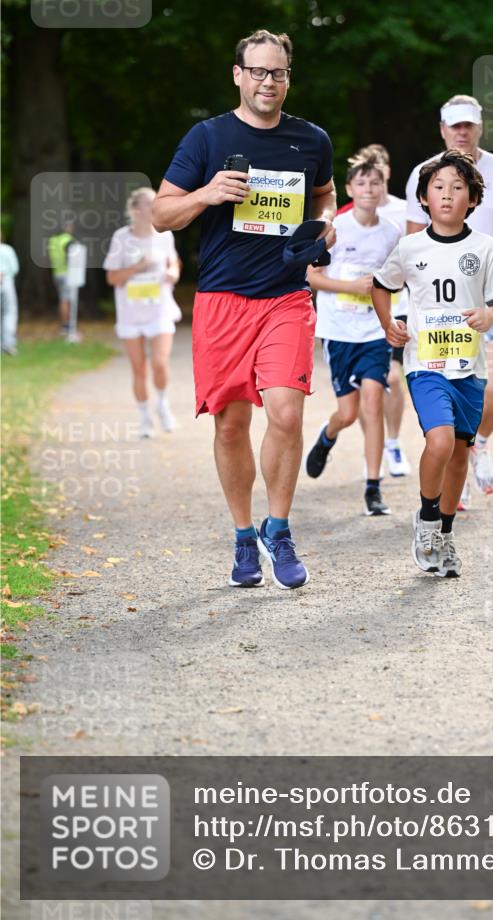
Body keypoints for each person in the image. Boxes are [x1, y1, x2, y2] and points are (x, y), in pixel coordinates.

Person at [152, 29, 336, 590]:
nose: (267, 82)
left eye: (277, 72)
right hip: (223, 299)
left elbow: (325, 194)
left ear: (288, 78)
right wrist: (206, 194)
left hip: (285, 296)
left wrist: (320, 227)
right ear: (238, 75)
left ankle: (278, 529)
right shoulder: (206, 138)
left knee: (286, 411)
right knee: (232, 425)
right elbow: (161, 214)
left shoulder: (311, 140)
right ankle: (242, 537)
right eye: (257, 71)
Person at [373, 151, 493, 576]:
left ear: (472, 199)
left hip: (470, 369)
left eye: (457, 188)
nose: (447, 195)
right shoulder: (410, 247)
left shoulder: (485, 248)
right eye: (438, 188)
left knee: (459, 452)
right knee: (440, 441)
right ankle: (428, 518)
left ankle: (446, 534)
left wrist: (490, 315)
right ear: (423, 198)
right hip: (425, 365)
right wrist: (387, 325)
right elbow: (381, 286)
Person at [405, 95, 493, 505]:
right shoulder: (423, 175)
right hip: (439, 306)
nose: (462, 132)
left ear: (479, 127)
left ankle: (478, 442)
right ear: (443, 129)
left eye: (469, 125)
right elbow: (411, 239)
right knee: (448, 390)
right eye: (454, 126)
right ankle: (456, 470)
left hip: (491, 294)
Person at [305, 159, 400, 516]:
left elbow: (397, 278)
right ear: (349, 190)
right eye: (362, 184)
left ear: (382, 189)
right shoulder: (334, 228)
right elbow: (312, 276)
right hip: (340, 332)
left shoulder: (391, 232)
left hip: (374, 330)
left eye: (375, 183)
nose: (369, 190)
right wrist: (352, 286)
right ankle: (328, 435)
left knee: (373, 401)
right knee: (348, 412)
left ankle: (373, 488)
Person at [336, 144, 411, 476]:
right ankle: (376, 453)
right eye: (363, 179)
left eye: (378, 174)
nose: (370, 186)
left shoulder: (405, 211)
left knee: (392, 377)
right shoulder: (343, 219)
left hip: (398, 305)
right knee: (368, 392)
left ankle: (392, 442)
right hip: (353, 317)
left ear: (387, 174)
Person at [104, 187, 182, 438]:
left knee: (159, 363)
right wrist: (138, 267)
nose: (156, 206)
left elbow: (174, 263)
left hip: (159, 309)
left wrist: (173, 273)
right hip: (130, 313)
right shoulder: (121, 238)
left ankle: (162, 404)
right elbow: (113, 277)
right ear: (137, 210)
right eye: (150, 203)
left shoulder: (165, 235)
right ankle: (144, 417)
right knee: (139, 369)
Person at [48, 215, 77, 336]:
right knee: (68, 300)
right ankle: (68, 326)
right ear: (67, 227)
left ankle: (65, 324)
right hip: (67, 273)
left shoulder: (52, 240)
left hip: (57, 273)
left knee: (62, 299)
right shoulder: (68, 239)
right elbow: (73, 257)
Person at [0, 231, 19, 355]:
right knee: (9, 312)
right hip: (6, 283)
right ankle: (8, 343)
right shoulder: (7, 250)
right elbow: (15, 268)